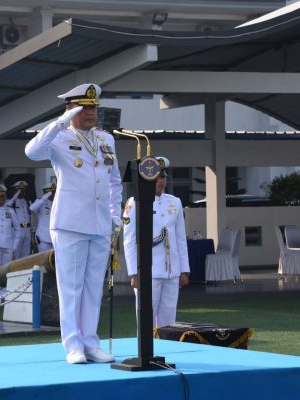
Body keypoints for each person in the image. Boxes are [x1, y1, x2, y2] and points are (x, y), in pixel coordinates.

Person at [25, 83, 122, 364]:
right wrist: (61, 121)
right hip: (70, 223)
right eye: (84, 108)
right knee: (71, 287)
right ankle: (73, 345)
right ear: (71, 109)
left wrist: (115, 215)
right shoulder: (58, 137)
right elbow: (32, 151)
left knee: (93, 287)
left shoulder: (106, 139)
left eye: (93, 108)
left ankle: (91, 343)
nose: (90, 113)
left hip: (100, 224)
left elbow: (114, 181)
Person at [123, 157, 190, 330]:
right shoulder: (134, 202)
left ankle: (165, 346)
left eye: (163, 177)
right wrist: (133, 272)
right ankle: (147, 348)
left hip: (171, 270)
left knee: (169, 320)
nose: (160, 181)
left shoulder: (175, 202)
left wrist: (184, 269)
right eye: (156, 177)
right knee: (146, 318)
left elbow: (180, 238)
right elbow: (129, 240)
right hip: (147, 270)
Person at [7, 181, 31, 259]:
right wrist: (16, 195)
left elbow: (30, 216)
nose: (22, 192)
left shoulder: (27, 202)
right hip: (17, 231)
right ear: (15, 191)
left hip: (27, 230)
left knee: (26, 254)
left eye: (23, 190)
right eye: (19, 190)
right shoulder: (11, 202)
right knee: (16, 253)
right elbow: (7, 205)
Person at [29, 183, 56, 252]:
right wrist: (43, 199)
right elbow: (32, 208)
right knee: (44, 258)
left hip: (55, 238)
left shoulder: (57, 202)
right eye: (51, 192)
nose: (53, 194)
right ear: (46, 193)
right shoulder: (40, 202)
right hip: (43, 238)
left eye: (54, 192)